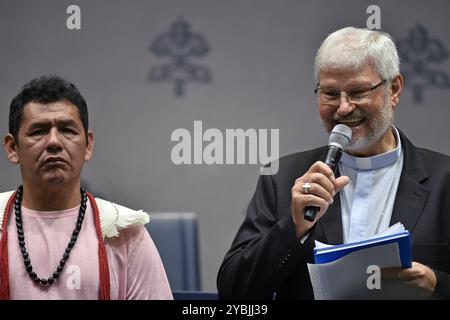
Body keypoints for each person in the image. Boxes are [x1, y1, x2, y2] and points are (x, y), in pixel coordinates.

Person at [217, 27, 450, 299]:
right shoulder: (282, 179)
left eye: (358, 91)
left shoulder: (444, 180)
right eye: (330, 93)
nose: (343, 108)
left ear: (394, 89)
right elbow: (233, 291)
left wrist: (438, 284)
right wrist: (292, 228)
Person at [0, 76, 173, 300]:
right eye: (38, 131)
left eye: (67, 130)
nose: (54, 142)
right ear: (13, 148)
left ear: (88, 145)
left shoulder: (125, 233)